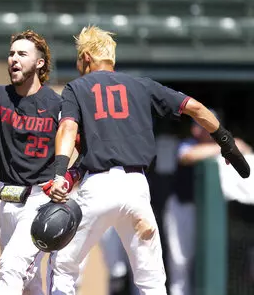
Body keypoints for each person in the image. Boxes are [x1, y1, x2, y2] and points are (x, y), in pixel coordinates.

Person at [45, 25, 248, 295]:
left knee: (64, 267)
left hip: (98, 187)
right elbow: (195, 107)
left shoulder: (76, 87)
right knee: (151, 281)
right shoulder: (141, 85)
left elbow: (68, 128)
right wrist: (225, 141)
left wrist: (60, 172)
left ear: (86, 58)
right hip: (137, 187)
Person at [0, 29, 81, 294]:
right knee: (28, 283)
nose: (13, 59)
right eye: (11, 54)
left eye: (22, 54)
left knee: (11, 267)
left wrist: (66, 178)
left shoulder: (57, 104)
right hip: (7, 199)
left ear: (40, 63)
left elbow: (84, 150)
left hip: (40, 200)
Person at [164, 114, 251, 295]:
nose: (197, 130)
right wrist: (226, 147)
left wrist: (232, 145)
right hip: (183, 207)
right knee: (181, 261)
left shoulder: (223, 143)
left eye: (203, 126)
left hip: (217, 213)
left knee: (211, 259)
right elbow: (187, 156)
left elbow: (247, 152)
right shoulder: (188, 144)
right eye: (197, 126)